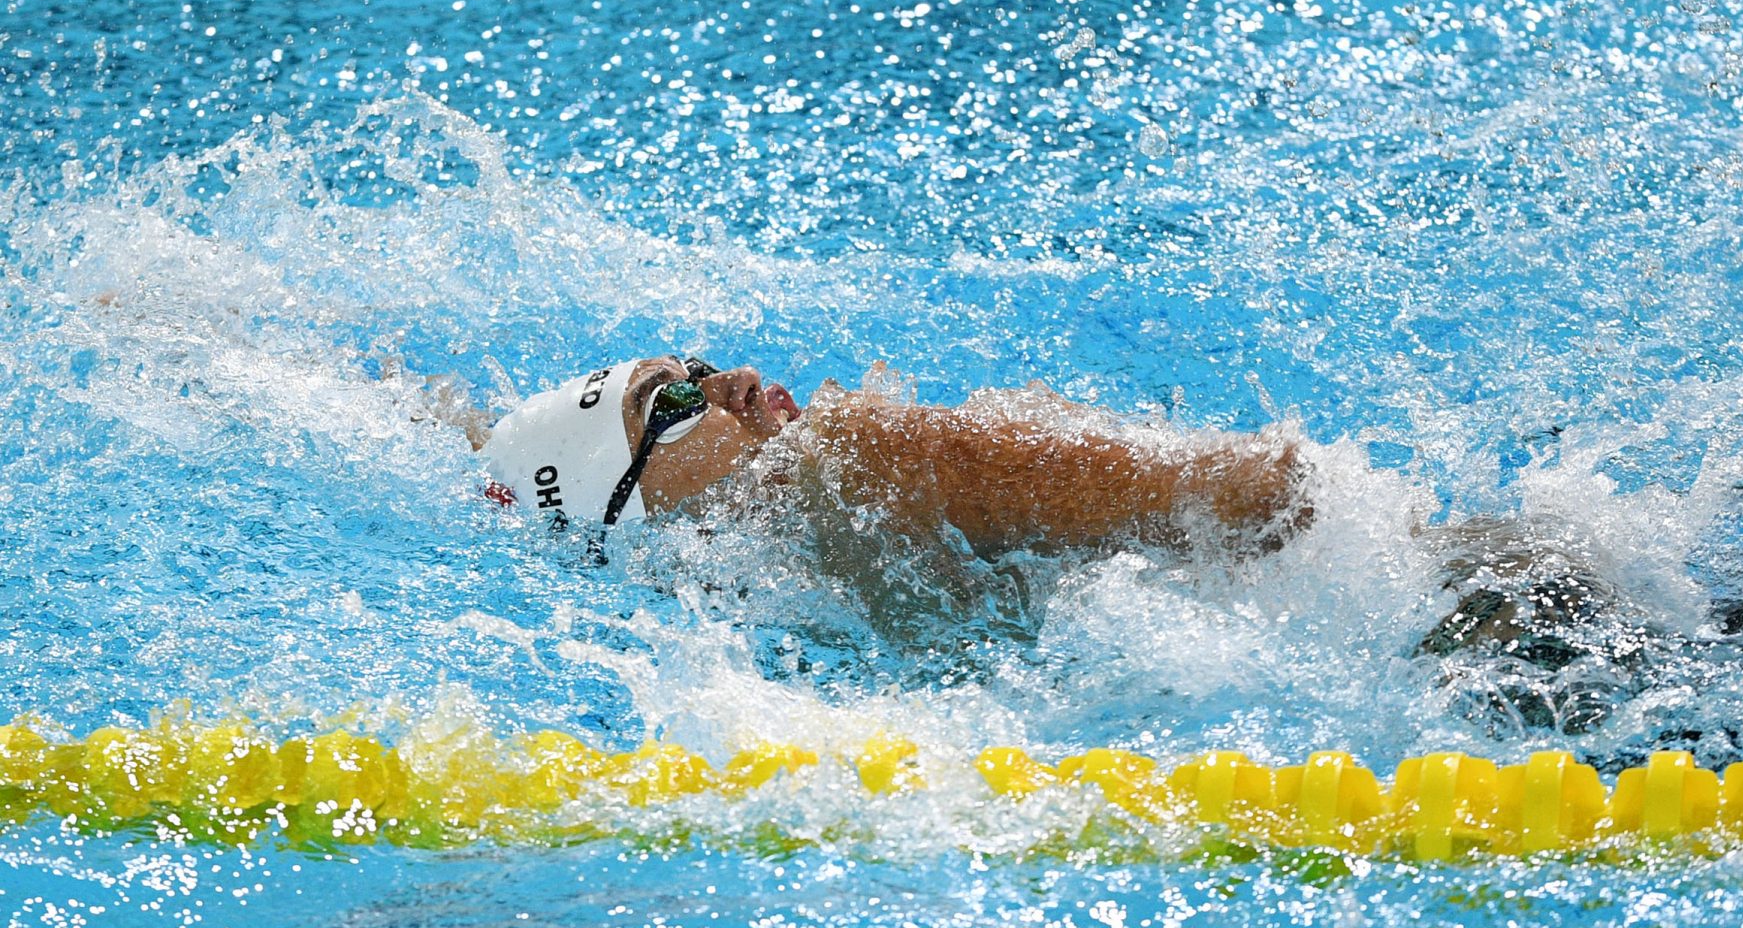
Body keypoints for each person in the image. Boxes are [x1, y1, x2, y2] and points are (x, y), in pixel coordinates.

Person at [480, 355, 1313, 556]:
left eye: (697, 365)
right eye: (675, 404)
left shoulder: (851, 452)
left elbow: (1261, 495)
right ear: (632, 497)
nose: (733, 381)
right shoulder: (845, 464)